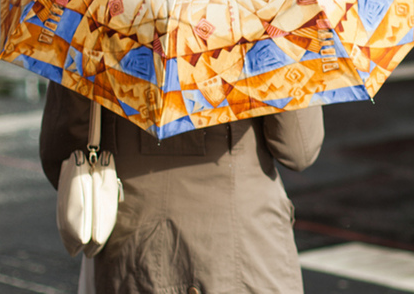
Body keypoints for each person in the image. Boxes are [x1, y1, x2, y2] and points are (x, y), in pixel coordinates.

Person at [40, 83, 325, 293]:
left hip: (134, 251)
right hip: (245, 251)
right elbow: (298, 149)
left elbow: (61, 155)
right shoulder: (262, 15)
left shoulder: (96, 13)